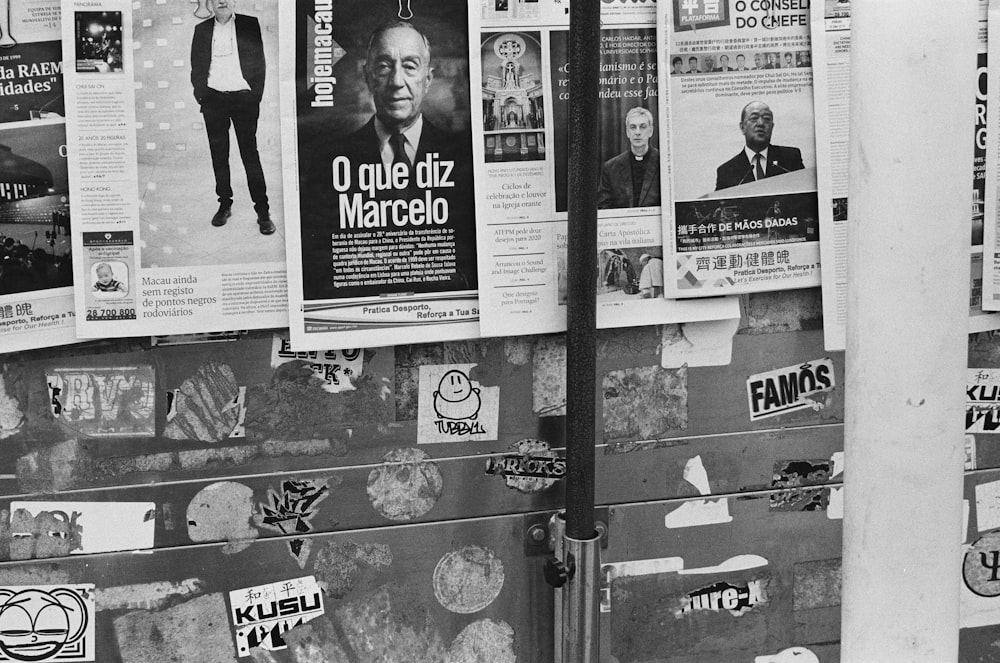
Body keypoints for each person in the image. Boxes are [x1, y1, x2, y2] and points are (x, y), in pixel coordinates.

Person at [300, 20, 476, 300]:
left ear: (427, 79)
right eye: (384, 66)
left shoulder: (464, 158)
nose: (396, 81)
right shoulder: (329, 161)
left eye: (409, 66)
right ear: (367, 76)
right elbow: (318, 264)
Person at [190, 0, 274, 234]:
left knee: (250, 154)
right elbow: (196, 66)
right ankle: (224, 204)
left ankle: (263, 211)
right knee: (219, 155)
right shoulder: (202, 30)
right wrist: (202, 97)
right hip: (213, 100)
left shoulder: (250, 25)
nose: (222, 1)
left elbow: (260, 63)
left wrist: (255, 95)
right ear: (211, 4)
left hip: (244, 100)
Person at [715, 100, 804, 191]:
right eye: (754, 118)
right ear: (742, 127)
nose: (761, 123)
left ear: (772, 127)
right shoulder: (727, 171)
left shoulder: (790, 158)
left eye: (766, 119)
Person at [598, 107, 660, 209]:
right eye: (633, 127)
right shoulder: (611, 168)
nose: (637, 132)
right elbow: (604, 208)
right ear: (627, 132)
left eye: (643, 127)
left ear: (651, 131)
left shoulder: (664, 162)